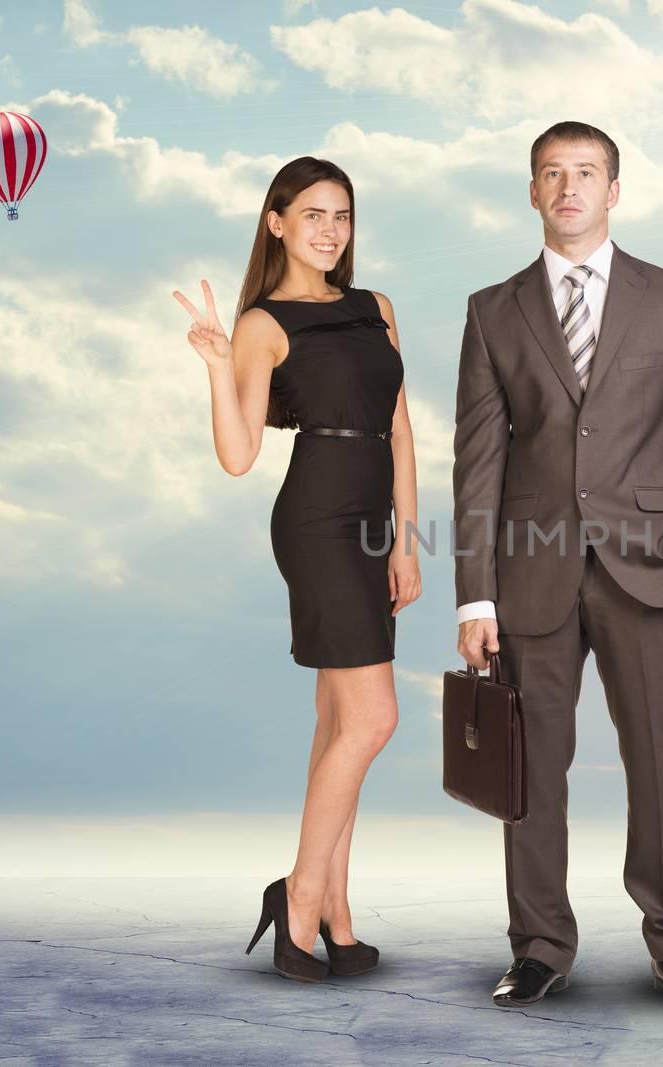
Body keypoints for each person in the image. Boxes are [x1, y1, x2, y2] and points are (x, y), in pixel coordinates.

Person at [452, 121, 663, 1008]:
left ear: (614, 190)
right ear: (532, 192)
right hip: (528, 574)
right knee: (528, 769)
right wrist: (474, 592)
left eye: (585, 172)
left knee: (660, 756)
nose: (568, 185)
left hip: (646, 567)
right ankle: (539, 944)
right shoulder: (492, 310)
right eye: (551, 173)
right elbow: (478, 461)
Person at [173, 156, 421, 983]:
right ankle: (301, 893)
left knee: (336, 721)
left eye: (342, 215)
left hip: (374, 520)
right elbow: (240, 455)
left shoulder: (374, 306)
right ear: (275, 221)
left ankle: (338, 916)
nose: (330, 230)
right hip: (315, 519)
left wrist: (409, 538)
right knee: (373, 719)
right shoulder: (261, 323)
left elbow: (401, 430)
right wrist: (216, 369)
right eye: (312, 214)